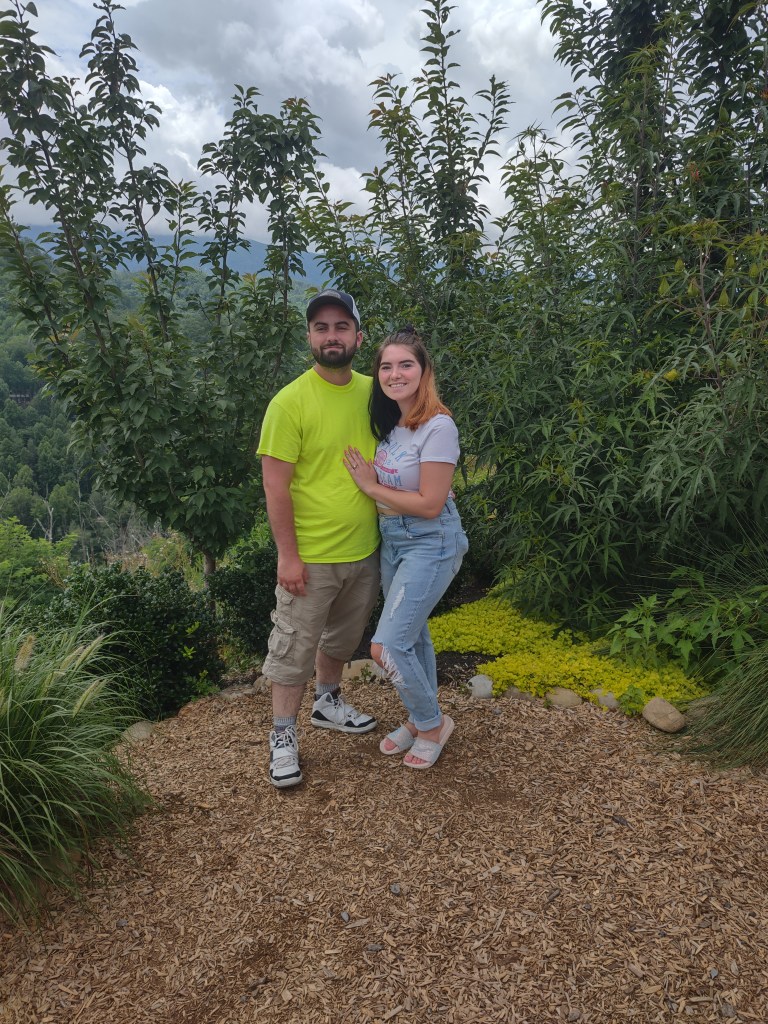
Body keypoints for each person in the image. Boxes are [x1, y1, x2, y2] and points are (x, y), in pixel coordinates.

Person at [257, 289, 381, 788]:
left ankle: (328, 702)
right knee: (293, 650)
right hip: (310, 557)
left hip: (366, 550)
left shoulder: (375, 392)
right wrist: (288, 556)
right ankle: (282, 735)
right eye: (321, 328)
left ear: (358, 337)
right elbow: (275, 486)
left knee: (342, 640)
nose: (332, 336)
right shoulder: (289, 402)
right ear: (309, 336)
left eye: (341, 326)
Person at [343, 327, 469, 770]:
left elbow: (431, 504)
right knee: (412, 637)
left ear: (424, 370)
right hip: (393, 539)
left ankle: (432, 724)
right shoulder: (392, 425)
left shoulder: (438, 426)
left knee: (386, 648)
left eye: (405, 365)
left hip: (430, 541)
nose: (395, 374)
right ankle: (419, 720)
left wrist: (370, 486)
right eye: (386, 366)